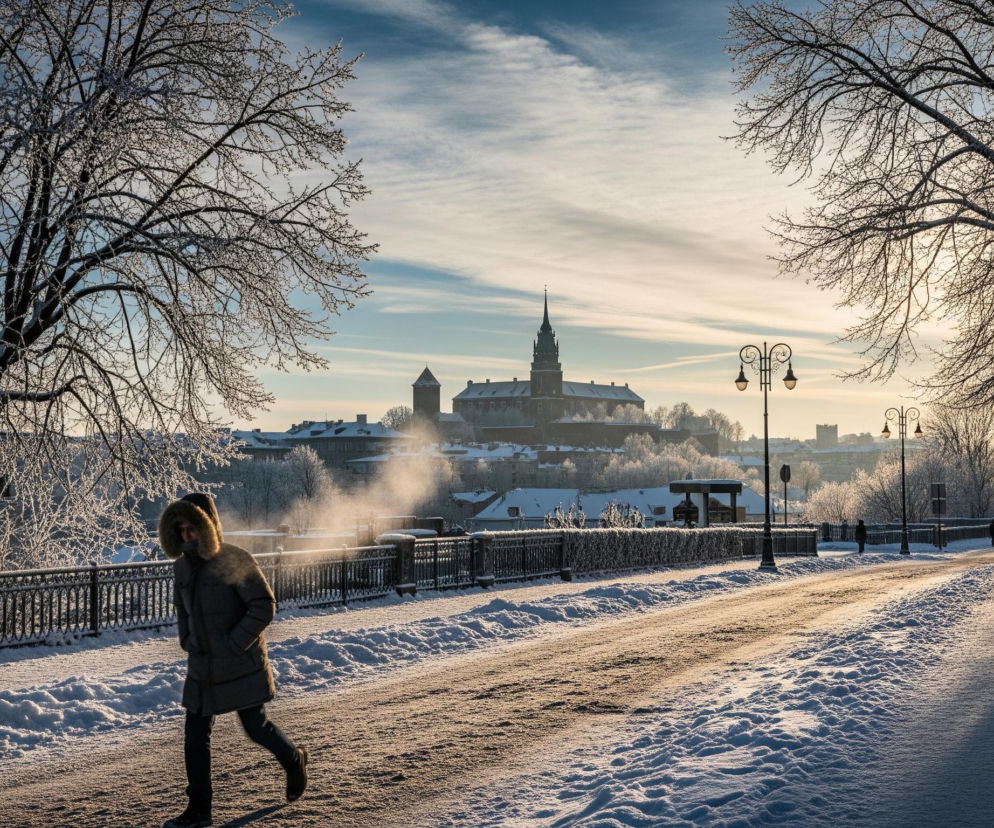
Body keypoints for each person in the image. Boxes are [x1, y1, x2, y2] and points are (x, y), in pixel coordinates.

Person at [159, 493, 308, 828]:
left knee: (256, 728)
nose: (186, 537)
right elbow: (182, 609)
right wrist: (187, 638)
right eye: (180, 530)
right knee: (195, 736)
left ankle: (294, 760)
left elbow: (264, 605)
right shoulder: (181, 566)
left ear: (207, 525)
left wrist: (235, 642)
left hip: (240, 663)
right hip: (202, 665)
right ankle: (199, 811)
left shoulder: (234, 560)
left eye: (192, 529)